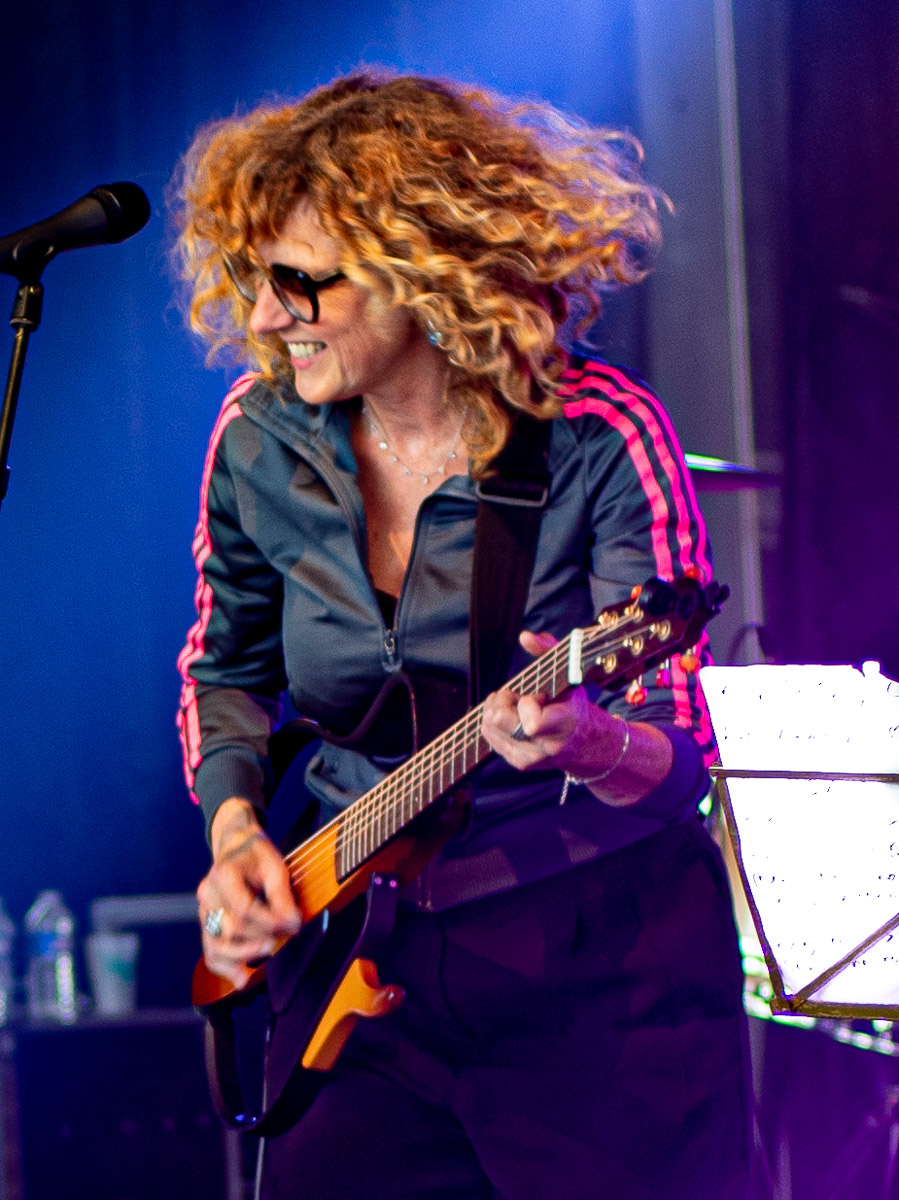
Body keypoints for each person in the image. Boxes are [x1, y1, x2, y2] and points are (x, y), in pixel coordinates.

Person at [174, 70, 750, 1199]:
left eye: (299, 283)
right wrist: (236, 831)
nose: (263, 318)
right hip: (358, 945)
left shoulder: (600, 436)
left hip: (592, 965)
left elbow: (683, 750)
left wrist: (594, 742)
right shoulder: (255, 434)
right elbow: (223, 670)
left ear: (421, 268)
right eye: (252, 279)